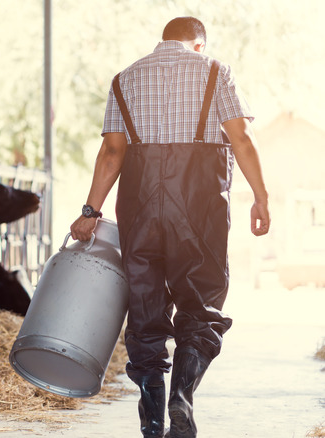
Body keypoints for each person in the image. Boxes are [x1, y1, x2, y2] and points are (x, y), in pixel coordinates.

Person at [69, 16, 270, 438]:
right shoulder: (215, 70)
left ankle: (152, 421)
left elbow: (111, 152)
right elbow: (242, 140)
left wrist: (90, 211)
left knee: (145, 311)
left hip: (139, 209)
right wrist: (261, 196)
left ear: (163, 42)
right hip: (198, 210)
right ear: (199, 44)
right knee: (201, 306)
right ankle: (182, 397)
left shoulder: (125, 79)